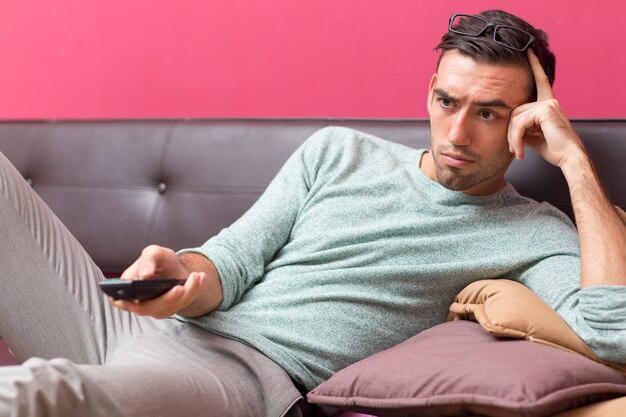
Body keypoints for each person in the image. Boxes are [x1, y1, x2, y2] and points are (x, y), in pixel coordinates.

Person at [0, 9, 625, 417]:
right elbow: (231, 261)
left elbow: (612, 332)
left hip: (244, 382)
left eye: (488, 112)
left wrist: (573, 162)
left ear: (527, 121)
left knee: (36, 395)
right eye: (447, 100)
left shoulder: (535, 232)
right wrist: (181, 275)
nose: (457, 132)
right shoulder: (337, 150)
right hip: (141, 328)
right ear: (428, 92)